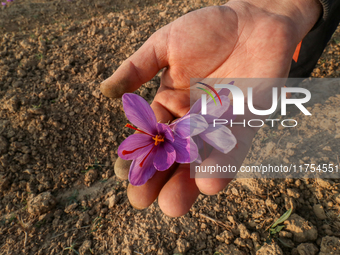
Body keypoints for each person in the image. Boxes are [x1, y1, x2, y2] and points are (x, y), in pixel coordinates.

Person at [100, 0, 340, 217]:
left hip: (299, 26)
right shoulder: (165, 135)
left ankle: (282, 99)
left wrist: (278, 8)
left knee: (292, 63)